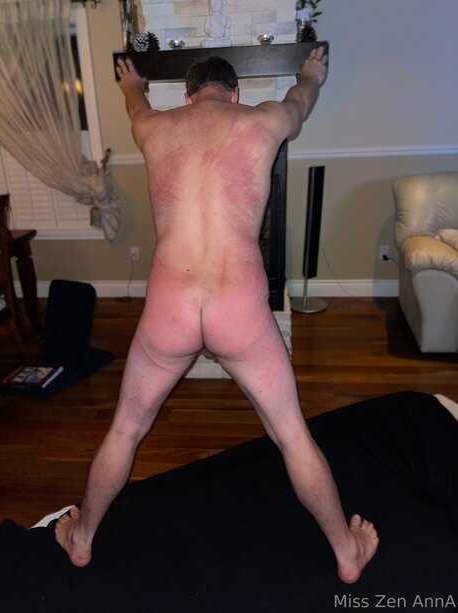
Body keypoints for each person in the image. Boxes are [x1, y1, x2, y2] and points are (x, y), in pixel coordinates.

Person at [55, 47, 379, 583]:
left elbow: (135, 104)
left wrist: (130, 83)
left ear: (188, 96)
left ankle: (82, 537)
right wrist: (310, 75)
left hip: (171, 307)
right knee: (291, 435)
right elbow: (300, 102)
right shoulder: (262, 120)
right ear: (235, 93)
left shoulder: (155, 128)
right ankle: (347, 552)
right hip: (238, 307)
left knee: (125, 430)